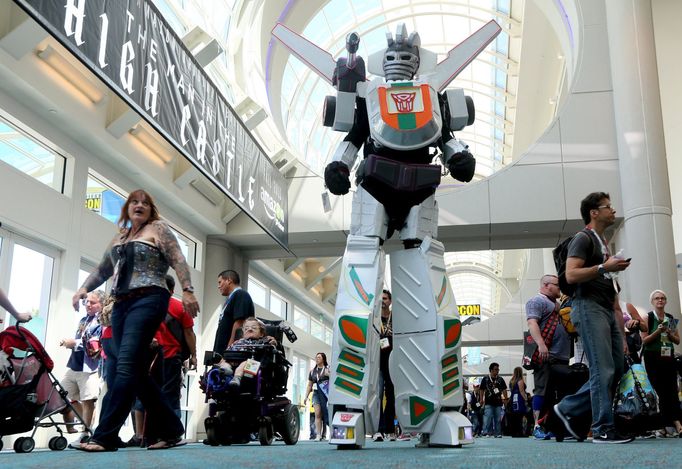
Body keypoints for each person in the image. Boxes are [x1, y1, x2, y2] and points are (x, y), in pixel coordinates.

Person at [71, 189, 199, 452]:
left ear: (151, 210)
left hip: (150, 298)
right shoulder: (121, 236)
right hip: (121, 303)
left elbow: (178, 259)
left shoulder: (158, 229)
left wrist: (187, 290)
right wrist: (83, 288)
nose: (139, 205)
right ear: (127, 208)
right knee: (136, 373)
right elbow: (104, 269)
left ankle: (105, 436)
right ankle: (172, 430)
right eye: (134, 202)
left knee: (126, 366)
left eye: (145, 203)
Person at [552, 192, 633, 444]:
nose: (613, 210)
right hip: (588, 307)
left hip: (605, 308)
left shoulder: (602, 241)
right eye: (608, 207)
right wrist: (602, 267)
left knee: (616, 368)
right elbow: (571, 275)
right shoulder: (583, 238)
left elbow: (610, 286)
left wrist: (621, 334)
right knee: (603, 370)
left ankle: (567, 408)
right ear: (594, 213)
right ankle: (602, 428)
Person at [525, 274, 570, 440]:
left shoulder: (556, 304)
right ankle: (537, 426)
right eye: (557, 285)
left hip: (562, 356)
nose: (560, 288)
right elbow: (532, 323)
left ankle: (552, 426)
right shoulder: (537, 301)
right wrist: (541, 344)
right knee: (542, 390)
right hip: (546, 356)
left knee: (557, 394)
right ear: (546, 285)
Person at [59, 290, 104, 442]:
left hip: (90, 368)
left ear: (102, 304)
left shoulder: (103, 322)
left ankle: (85, 434)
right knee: (63, 395)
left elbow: (96, 344)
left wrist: (74, 343)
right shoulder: (84, 320)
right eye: (87, 302)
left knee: (88, 399)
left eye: (93, 302)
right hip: (74, 365)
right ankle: (86, 425)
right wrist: (71, 342)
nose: (88, 305)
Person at [640, 289, 682, 437]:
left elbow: (677, 340)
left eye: (663, 298)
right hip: (652, 356)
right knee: (658, 389)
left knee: (671, 388)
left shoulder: (669, 318)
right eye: (657, 298)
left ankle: (675, 422)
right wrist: (658, 332)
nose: (660, 300)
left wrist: (669, 333)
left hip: (668, 355)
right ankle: (663, 424)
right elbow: (644, 340)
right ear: (652, 301)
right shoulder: (648, 317)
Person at [156, 275, 197, 417]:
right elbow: (189, 333)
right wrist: (193, 356)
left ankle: (144, 435)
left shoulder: (147, 306)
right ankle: (171, 433)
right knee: (170, 395)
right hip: (169, 357)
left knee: (147, 395)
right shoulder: (180, 307)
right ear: (172, 290)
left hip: (153, 358)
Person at [225, 317, 277, 389]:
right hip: (233, 360)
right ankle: (225, 370)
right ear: (243, 332)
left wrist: (273, 343)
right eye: (246, 328)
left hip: (253, 364)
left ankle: (237, 378)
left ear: (261, 333)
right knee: (221, 361)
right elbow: (227, 352)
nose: (249, 329)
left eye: (254, 328)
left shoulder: (263, 341)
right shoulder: (237, 342)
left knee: (245, 363)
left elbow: (272, 348)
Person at [213, 270, 254, 354]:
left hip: (231, 351)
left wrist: (230, 347)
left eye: (220, 282)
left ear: (229, 280)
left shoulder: (241, 294)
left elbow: (240, 322)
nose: (218, 286)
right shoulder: (231, 298)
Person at [374, 289, 396, 442]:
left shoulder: (395, 317)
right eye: (381, 298)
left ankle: (389, 429)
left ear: (390, 301)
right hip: (378, 359)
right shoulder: (375, 318)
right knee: (378, 394)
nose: (383, 301)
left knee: (391, 394)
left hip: (393, 359)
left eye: (386, 298)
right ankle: (379, 429)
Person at [304, 352, 330, 441]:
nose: (317, 359)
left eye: (319, 357)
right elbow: (309, 385)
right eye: (316, 357)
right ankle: (318, 434)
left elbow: (334, 380)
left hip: (326, 394)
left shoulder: (328, 369)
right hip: (316, 393)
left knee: (326, 413)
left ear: (323, 359)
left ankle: (328, 433)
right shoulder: (312, 372)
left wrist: (329, 375)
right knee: (317, 413)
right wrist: (306, 396)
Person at [479, 362, 507, 438]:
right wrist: (481, 399)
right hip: (488, 402)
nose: (497, 371)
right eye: (495, 369)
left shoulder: (500, 379)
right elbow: (481, 389)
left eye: (498, 369)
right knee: (488, 418)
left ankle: (497, 433)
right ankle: (486, 432)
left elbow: (504, 389)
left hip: (498, 402)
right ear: (491, 370)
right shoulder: (486, 379)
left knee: (498, 418)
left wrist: (505, 399)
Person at [506, 367, 528, 437]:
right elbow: (522, 391)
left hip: (513, 399)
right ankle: (520, 432)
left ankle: (514, 432)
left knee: (515, 416)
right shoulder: (520, 380)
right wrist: (526, 399)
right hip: (519, 399)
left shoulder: (511, 381)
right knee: (520, 416)